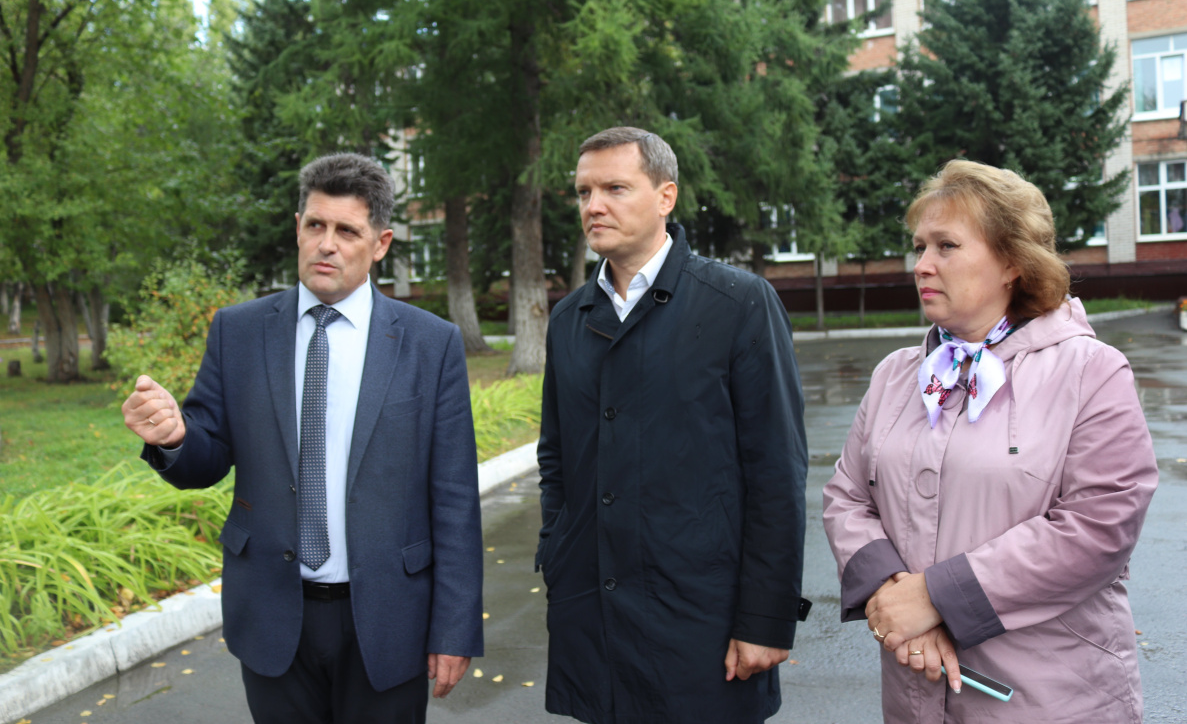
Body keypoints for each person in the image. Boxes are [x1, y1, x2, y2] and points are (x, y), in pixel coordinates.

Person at [121, 153, 483, 724]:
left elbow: (456, 497)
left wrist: (455, 627)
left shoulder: (430, 344)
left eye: (347, 231)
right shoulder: (239, 331)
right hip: (273, 613)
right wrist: (174, 438)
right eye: (315, 225)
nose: (326, 244)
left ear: (381, 243)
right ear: (297, 228)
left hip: (389, 617)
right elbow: (207, 456)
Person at [822, 160, 1158, 723]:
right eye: (919, 246)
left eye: (946, 246)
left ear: (1012, 262)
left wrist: (936, 597)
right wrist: (894, 595)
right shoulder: (897, 375)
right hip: (915, 696)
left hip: (1050, 700)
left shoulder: (1090, 371)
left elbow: (1100, 524)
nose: (921, 264)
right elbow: (847, 497)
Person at [536, 126, 811, 724]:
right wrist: (555, 549)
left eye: (614, 188)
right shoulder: (568, 319)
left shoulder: (737, 303)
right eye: (583, 192)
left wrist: (766, 619)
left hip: (701, 623)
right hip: (594, 621)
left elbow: (776, 472)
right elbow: (556, 458)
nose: (593, 206)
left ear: (666, 196)